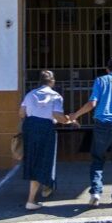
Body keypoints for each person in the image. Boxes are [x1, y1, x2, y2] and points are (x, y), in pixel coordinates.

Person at [69, 56, 112, 208]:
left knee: (97, 159)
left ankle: (95, 192)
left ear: (107, 69)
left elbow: (92, 103)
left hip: (101, 125)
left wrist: (75, 115)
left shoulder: (100, 81)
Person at [19, 70, 71, 210]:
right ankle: (32, 199)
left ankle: (46, 186)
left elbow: (21, 113)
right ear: (52, 82)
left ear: (40, 82)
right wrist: (69, 120)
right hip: (45, 128)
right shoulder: (56, 96)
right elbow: (57, 115)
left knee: (32, 159)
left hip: (29, 127)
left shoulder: (30, 94)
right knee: (44, 159)